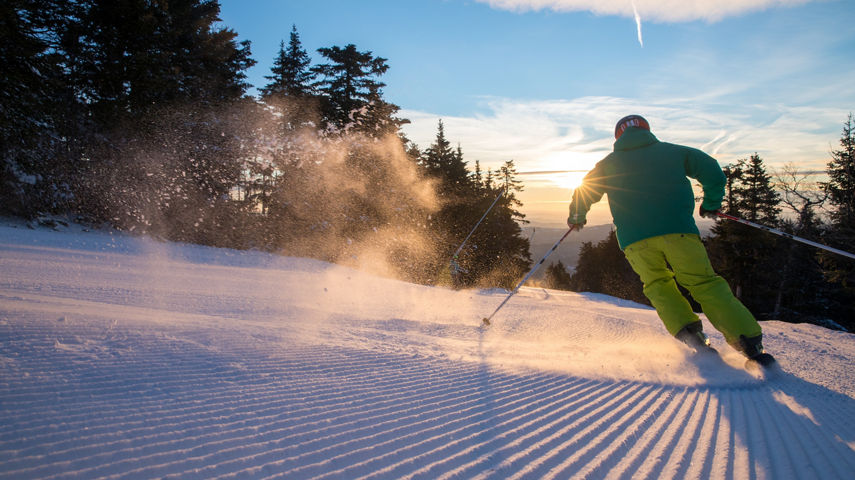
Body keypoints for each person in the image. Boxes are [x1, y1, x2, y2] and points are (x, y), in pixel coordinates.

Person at [567, 114, 776, 368]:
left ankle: (692, 337)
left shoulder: (608, 163)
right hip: (679, 232)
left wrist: (577, 216)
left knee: (658, 284)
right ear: (647, 130)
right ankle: (750, 345)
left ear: (618, 136)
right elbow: (712, 170)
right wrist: (711, 203)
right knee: (704, 284)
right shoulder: (673, 152)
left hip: (635, 240)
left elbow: (585, 188)